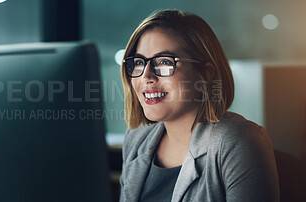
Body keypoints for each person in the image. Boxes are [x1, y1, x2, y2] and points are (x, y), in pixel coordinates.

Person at [119, 9, 279, 202]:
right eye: (138, 62)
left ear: (205, 73)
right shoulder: (136, 140)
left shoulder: (238, 141)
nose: (146, 77)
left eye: (164, 62)